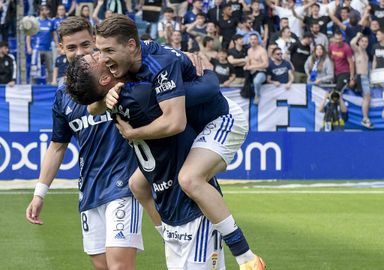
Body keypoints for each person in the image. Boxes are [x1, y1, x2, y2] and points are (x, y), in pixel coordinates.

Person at [79, 14, 266, 270]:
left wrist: (133, 134)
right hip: (197, 122)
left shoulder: (158, 65)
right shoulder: (127, 66)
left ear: (132, 45)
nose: (103, 57)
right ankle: (167, 234)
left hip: (222, 119)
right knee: (137, 184)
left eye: (108, 50)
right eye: (99, 50)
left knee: (189, 179)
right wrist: (105, 98)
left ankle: (246, 257)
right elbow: (92, 109)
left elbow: (175, 123)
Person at [67, 52, 228, 269]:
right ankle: (244, 254)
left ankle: (167, 232)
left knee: (137, 184)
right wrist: (204, 68)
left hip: (174, 202)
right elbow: (207, 89)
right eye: (95, 58)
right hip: (188, 203)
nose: (100, 54)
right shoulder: (141, 92)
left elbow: (92, 108)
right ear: (105, 80)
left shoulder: (119, 97)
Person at [25, 16, 143, 270]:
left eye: (86, 45)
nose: (80, 52)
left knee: (120, 266)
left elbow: (146, 53)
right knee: (101, 265)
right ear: (61, 49)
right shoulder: (62, 94)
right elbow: (58, 146)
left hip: (124, 184)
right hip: (90, 188)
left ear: (95, 42)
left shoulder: (118, 74)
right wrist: (39, 193)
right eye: (71, 47)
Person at [27, 4, 56, 83]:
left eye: (48, 10)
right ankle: (33, 85)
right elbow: (29, 35)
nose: (48, 11)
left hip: (48, 49)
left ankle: (50, 84)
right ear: (41, 11)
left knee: (50, 69)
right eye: (46, 10)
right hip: (37, 49)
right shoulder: (35, 21)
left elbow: (54, 34)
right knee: (34, 68)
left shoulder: (51, 21)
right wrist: (29, 47)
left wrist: (57, 45)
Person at [350, 33, 373, 129]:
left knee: (367, 98)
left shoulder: (365, 53)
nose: (364, 43)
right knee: (367, 97)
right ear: (359, 42)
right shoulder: (358, 50)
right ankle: (365, 118)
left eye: (366, 41)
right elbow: (352, 43)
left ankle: (365, 118)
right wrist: (357, 36)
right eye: (362, 41)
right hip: (361, 77)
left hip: (366, 77)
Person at [244, 33, 268, 104]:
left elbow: (266, 64)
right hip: (251, 72)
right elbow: (249, 61)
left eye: (255, 39)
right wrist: (247, 65)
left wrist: (253, 67)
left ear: (258, 41)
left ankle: (257, 95)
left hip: (261, 72)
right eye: (251, 39)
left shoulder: (262, 50)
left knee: (256, 81)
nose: (253, 41)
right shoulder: (249, 50)